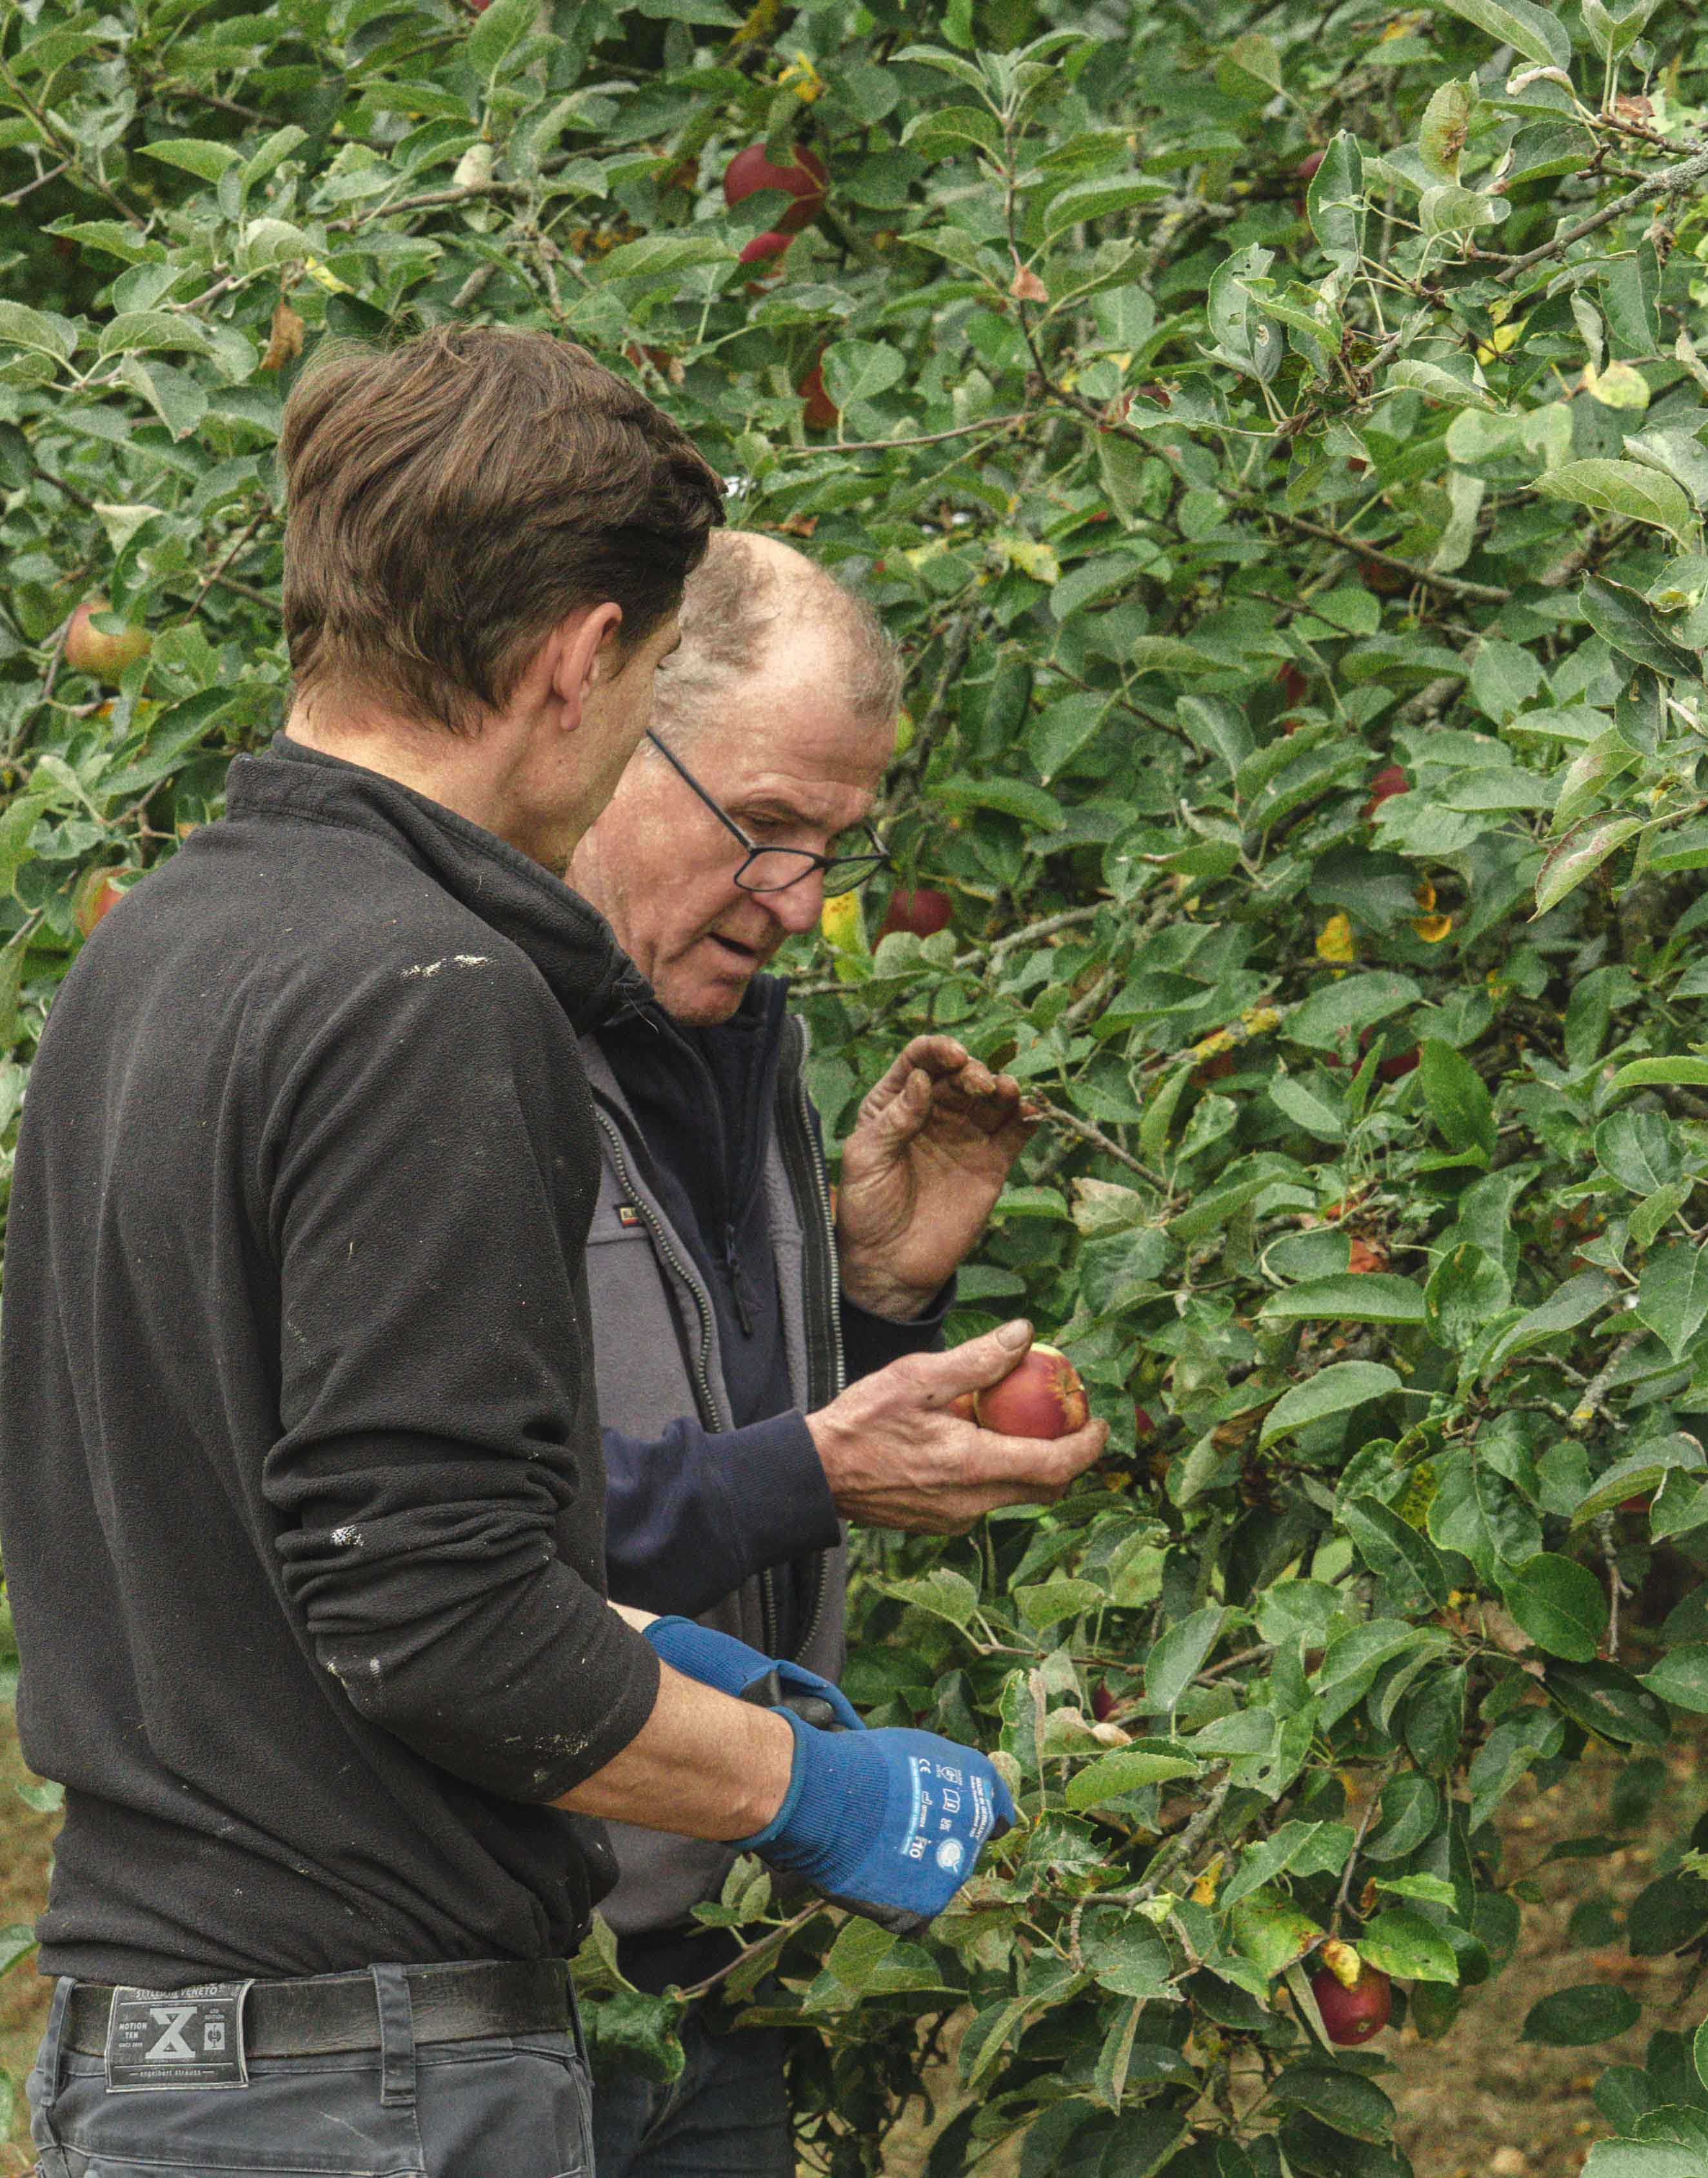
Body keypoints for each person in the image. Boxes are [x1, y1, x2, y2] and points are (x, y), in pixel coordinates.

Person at [0, 329, 1019, 2178]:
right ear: (577, 660)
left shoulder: (152, 958)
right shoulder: (437, 995)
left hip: (161, 2038)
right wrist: (819, 1792)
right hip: (360, 2068)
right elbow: (437, 1620)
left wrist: (681, 1644)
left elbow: (300, 1553)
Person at [562, 532, 1106, 2178]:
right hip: (505, 1984)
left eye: (834, 845)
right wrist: (814, 1464)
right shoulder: (455, 1053)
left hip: (718, 1948)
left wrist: (875, 1302)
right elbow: (435, 1529)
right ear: (602, 725)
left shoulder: (746, 1058)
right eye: (763, 826)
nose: (797, 898)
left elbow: (712, 1447)